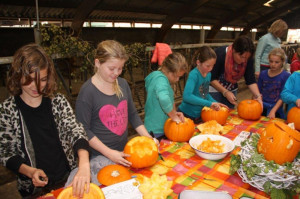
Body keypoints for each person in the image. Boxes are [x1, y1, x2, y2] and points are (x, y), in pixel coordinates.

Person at [0, 44, 90, 198]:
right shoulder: (7, 110)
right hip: (32, 189)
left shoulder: (58, 102)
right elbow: (6, 152)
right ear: (18, 75)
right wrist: (29, 171)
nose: (36, 86)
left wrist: (84, 163)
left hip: (67, 177)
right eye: (29, 80)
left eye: (42, 79)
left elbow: (75, 131)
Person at [75, 40, 155, 178]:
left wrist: (147, 138)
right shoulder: (87, 92)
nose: (116, 73)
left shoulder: (123, 84)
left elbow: (133, 114)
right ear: (97, 63)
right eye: (111, 68)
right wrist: (109, 153)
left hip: (123, 152)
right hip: (99, 157)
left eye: (120, 68)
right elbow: (84, 131)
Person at [209, 35, 262, 109]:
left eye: (246, 58)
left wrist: (258, 96)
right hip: (213, 90)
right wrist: (225, 92)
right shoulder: (219, 54)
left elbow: (250, 80)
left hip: (231, 89)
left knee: (229, 112)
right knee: (215, 112)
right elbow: (211, 78)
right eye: (242, 57)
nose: (244, 60)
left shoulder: (248, 58)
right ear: (234, 50)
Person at [178, 46, 228, 124]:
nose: (211, 69)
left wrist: (215, 103)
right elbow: (187, 96)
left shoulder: (208, 74)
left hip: (199, 114)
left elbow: (205, 94)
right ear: (198, 63)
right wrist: (209, 103)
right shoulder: (194, 75)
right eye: (208, 66)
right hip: (186, 114)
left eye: (213, 65)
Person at [144, 52, 187, 138]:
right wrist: (173, 116)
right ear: (168, 71)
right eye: (176, 76)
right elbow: (163, 98)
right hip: (155, 130)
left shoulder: (163, 79)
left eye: (180, 77)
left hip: (163, 128)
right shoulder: (160, 79)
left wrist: (175, 112)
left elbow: (169, 100)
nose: (178, 80)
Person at [257, 48, 290, 119]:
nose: (273, 64)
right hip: (262, 107)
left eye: (276, 62)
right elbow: (257, 92)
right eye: (271, 61)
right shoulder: (263, 74)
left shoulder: (285, 76)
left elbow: (282, 96)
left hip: (276, 109)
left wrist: (273, 111)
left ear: (282, 61)